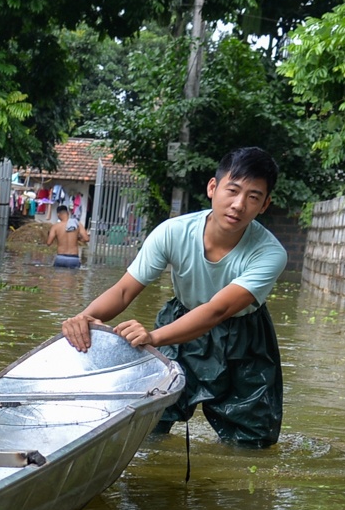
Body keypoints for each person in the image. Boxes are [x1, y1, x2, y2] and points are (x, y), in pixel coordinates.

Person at [61, 146, 289, 447]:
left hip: (244, 338)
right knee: (149, 420)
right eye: (232, 190)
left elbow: (218, 310)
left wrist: (153, 337)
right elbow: (125, 290)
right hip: (181, 321)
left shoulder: (270, 253)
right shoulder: (173, 233)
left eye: (253, 197)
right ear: (213, 187)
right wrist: (85, 318)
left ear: (264, 205)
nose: (238, 205)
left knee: (251, 440)